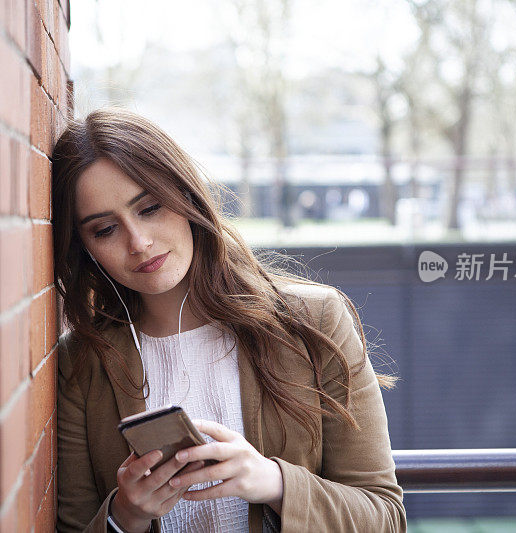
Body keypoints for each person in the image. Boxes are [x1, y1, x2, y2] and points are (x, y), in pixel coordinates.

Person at [52, 107, 407, 533]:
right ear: (85, 247)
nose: (139, 243)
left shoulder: (314, 320)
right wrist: (124, 516)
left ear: (186, 196)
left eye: (149, 208)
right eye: (105, 230)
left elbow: (384, 517)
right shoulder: (83, 362)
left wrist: (272, 482)